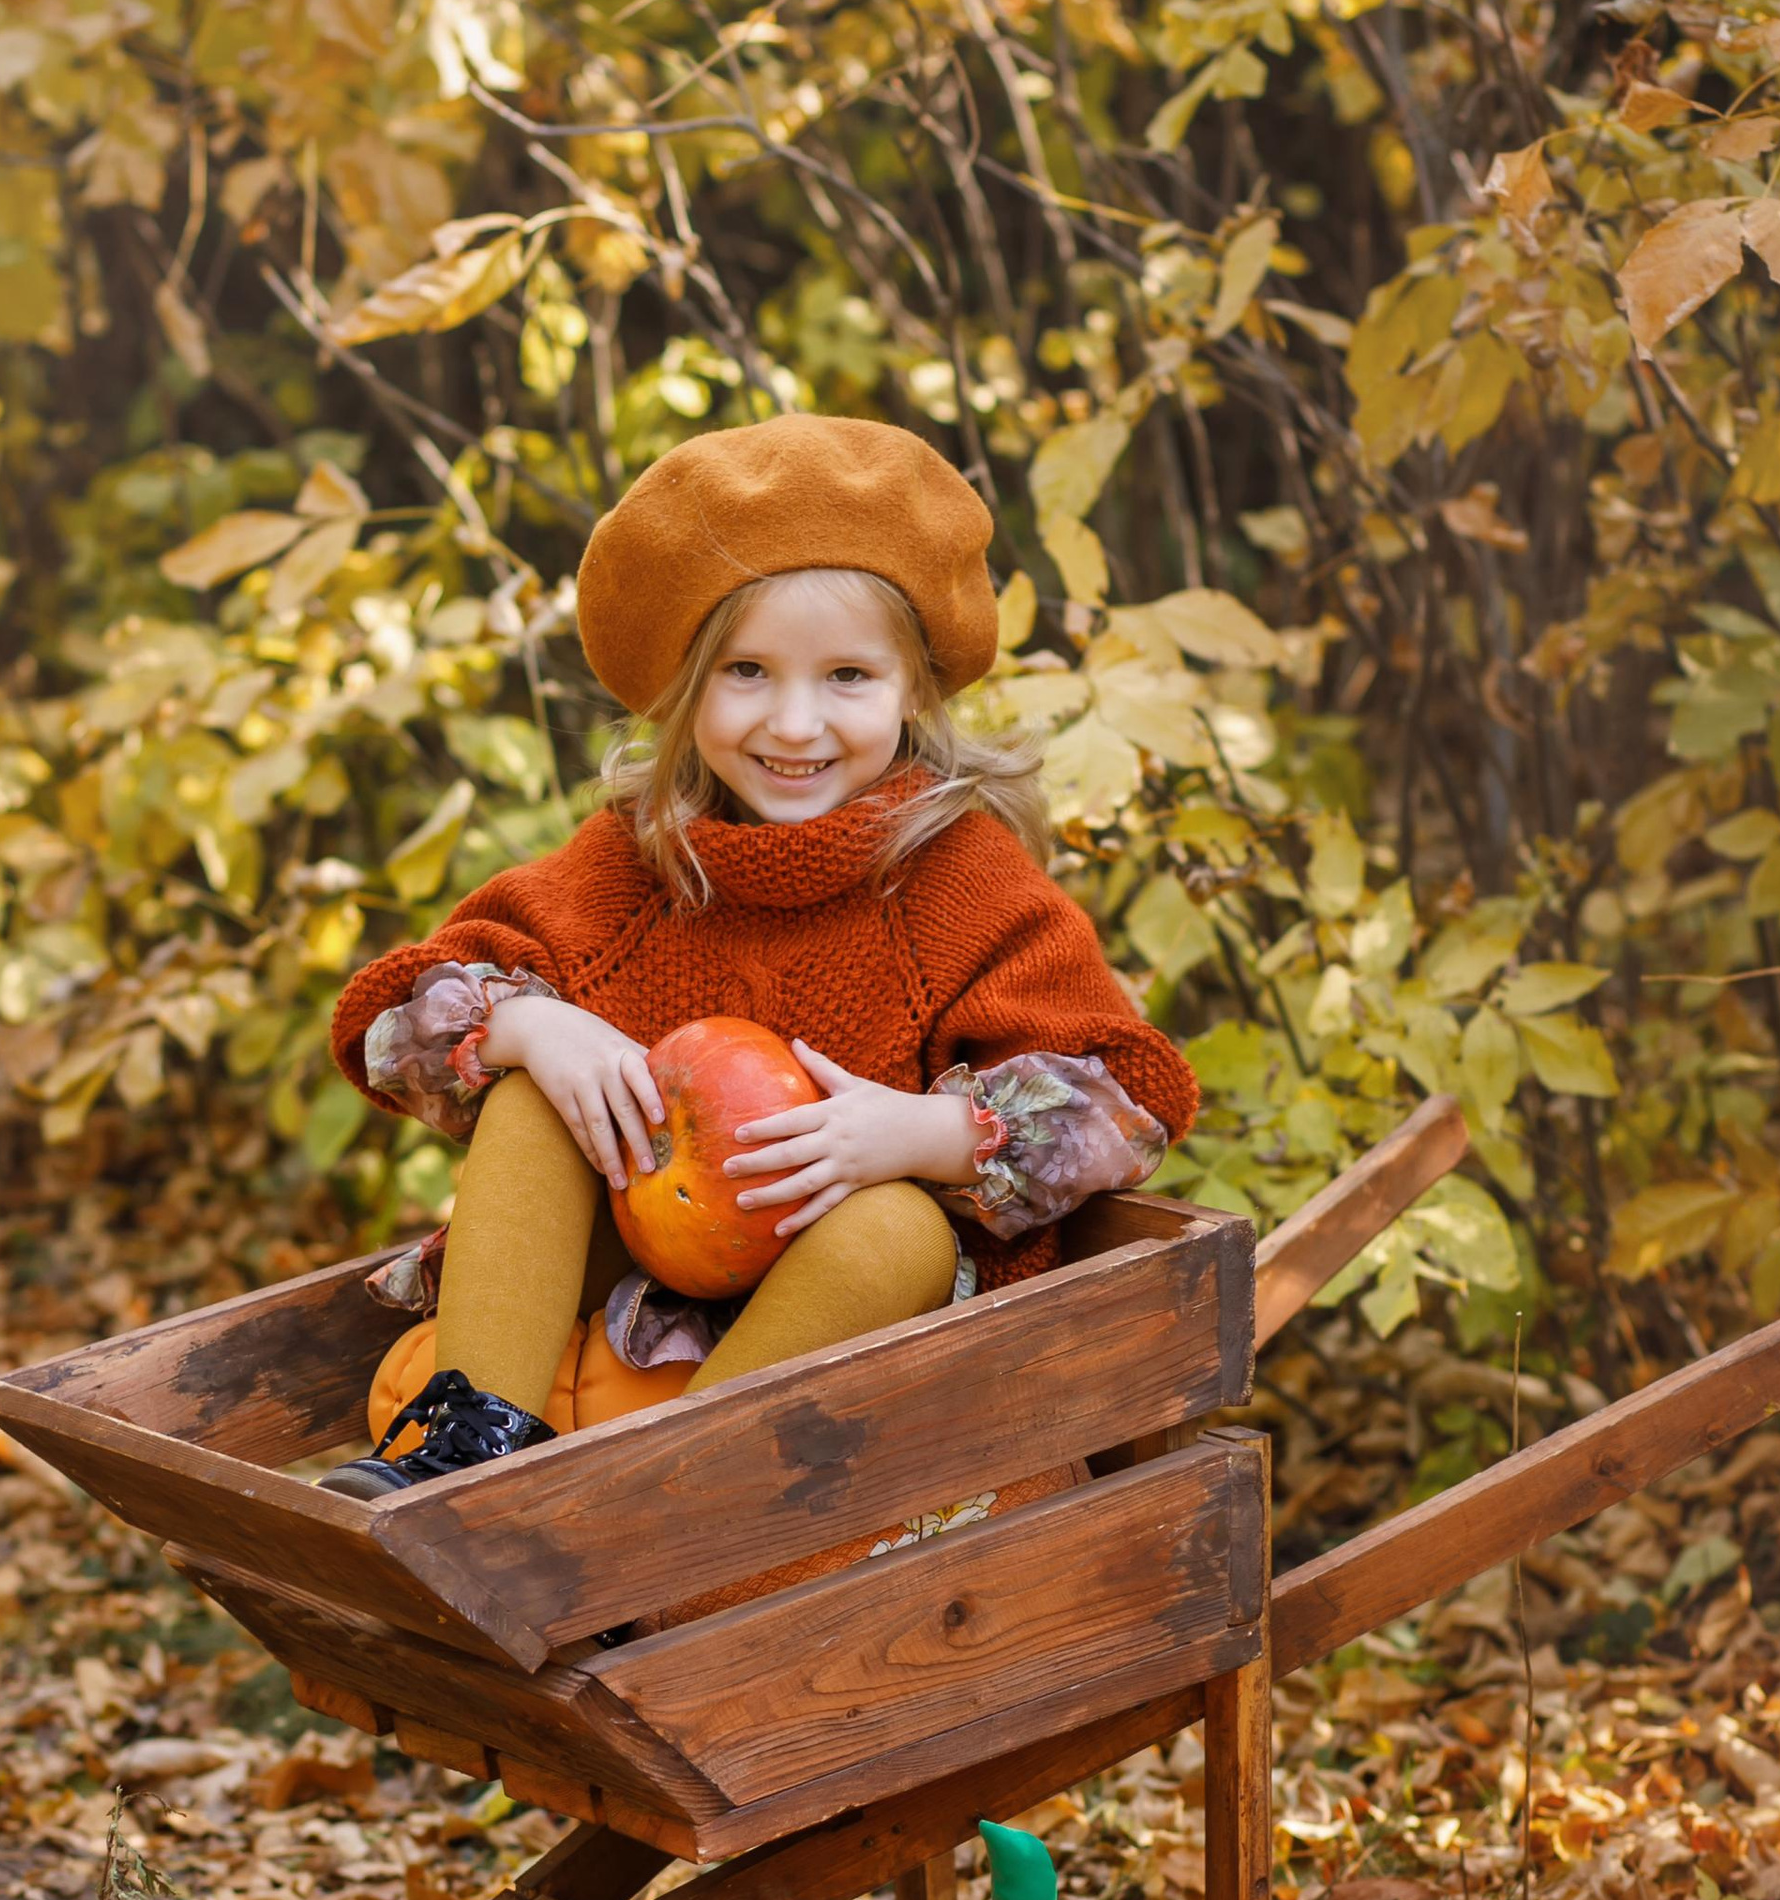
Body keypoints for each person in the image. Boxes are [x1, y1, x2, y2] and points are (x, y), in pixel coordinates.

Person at [318, 413, 1199, 1496]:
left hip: (836, 1337)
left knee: (895, 1228)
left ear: (913, 687)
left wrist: (921, 1132)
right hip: (634, 1286)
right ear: (683, 687)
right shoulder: (633, 866)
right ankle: (467, 1447)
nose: (793, 723)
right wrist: (524, 1023)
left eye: (846, 677)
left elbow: (1130, 1097)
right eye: (746, 671)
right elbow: (384, 1027)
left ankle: (661, 1498)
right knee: (532, 1089)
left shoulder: (958, 880)